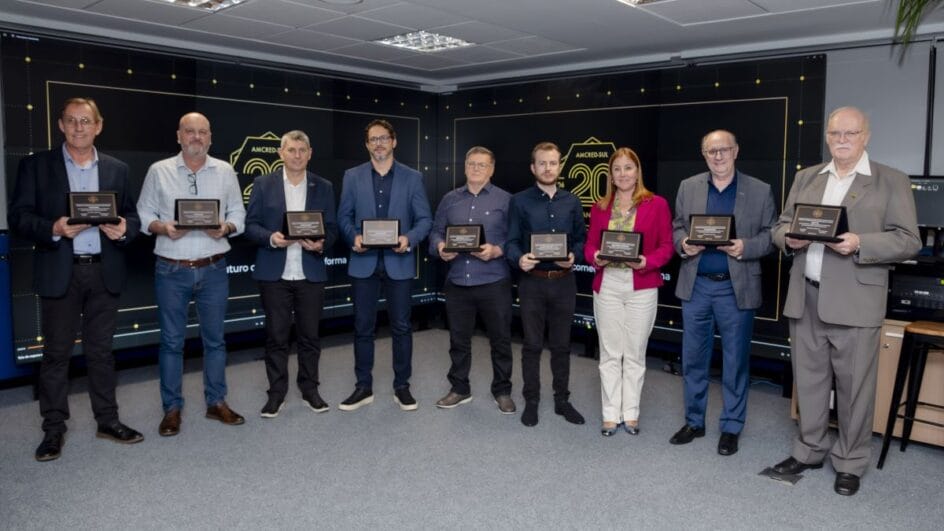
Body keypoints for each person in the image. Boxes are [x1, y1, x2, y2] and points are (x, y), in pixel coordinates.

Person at [768, 107, 920, 496]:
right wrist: (789, 239)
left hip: (856, 301)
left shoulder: (890, 180)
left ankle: (850, 462)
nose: (842, 140)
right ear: (827, 137)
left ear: (866, 136)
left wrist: (860, 242)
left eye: (850, 133)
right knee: (810, 381)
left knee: (855, 389)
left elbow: (908, 240)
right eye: (835, 133)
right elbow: (781, 226)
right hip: (806, 296)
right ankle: (809, 450)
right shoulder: (807, 177)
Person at [9, 97, 143, 461]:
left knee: (101, 352)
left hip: (104, 270)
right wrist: (53, 228)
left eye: (86, 121)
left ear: (98, 126)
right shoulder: (36, 166)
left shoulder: (117, 169)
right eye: (71, 120)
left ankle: (108, 421)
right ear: (61, 125)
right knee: (56, 355)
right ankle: (53, 429)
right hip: (60, 270)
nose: (78, 127)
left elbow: (132, 216)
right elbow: (18, 217)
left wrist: (125, 228)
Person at [137, 112, 247, 436]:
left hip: (214, 268)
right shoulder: (159, 170)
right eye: (190, 131)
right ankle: (172, 409)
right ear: (179, 136)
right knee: (172, 342)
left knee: (215, 341)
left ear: (210, 137)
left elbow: (238, 212)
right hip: (171, 269)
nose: (196, 137)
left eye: (202, 132)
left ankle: (217, 402)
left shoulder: (225, 170)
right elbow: (143, 212)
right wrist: (162, 227)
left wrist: (226, 227)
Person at [670, 130, 776, 455]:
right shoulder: (688, 186)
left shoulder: (760, 190)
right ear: (704, 155)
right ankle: (694, 421)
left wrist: (746, 246)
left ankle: (731, 426)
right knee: (693, 358)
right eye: (711, 151)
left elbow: (771, 235)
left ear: (736, 151)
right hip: (697, 285)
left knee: (735, 360)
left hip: (735, 287)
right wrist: (683, 243)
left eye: (724, 150)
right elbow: (677, 225)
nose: (718, 156)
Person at [336, 119, 432, 411]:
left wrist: (408, 238)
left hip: (398, 262)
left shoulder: (412, 177)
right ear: (367, 145)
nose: (379, 144)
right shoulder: (352, 176)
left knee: (401, 327)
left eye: (384, 138)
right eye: (373, 139)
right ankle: (363, 386)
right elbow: (343, 217)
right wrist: (353, 237)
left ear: (394, 141)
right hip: (363, 262)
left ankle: (402, 386)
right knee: (363, 327)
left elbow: (424, 219)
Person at [244, 130, 338, 418]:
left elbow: (332, 228)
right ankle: (276, 393)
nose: (297, 155)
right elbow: (250, 225)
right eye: (291, 150)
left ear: (310, 154)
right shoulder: (263, 184)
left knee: (310, 337)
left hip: (310, 273)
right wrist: (271, 238)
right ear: (281, 153)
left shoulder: (324, 186)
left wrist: (322, 243)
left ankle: (310, 389)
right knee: (276, 337)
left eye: (302, 150)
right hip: (275, 273)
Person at [585, 147, 673, 437]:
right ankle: (610, 414)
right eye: (617, 169)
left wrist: (647, 261)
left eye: (628, 168)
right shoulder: (600, 206)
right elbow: (589, 245)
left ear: (637, 172)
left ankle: (631, 413)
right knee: (610, 352)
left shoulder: (656, 204)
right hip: (608, 284)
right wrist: (595, 257)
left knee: (634, 353)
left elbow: (666, 246)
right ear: (610, 175)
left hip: (641, 286)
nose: (623, 174)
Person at [429, 146, 515, 414]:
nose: (476, 169)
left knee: (500, 340)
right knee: (458, 341)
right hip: (458, 282)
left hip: (494, 281)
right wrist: (440, 247)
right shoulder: (449, 199)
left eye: (482, 165)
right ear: (465, 167)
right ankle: (459, 388)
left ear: (492, 169)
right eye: (471, 164)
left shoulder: (506, 200)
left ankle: (502, 391)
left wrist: (497, 250)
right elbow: (435, 232)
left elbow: (516, 240)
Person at [506, 141, 587, 427]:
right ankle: (532, 400)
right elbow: (511, 241)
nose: (548, 168)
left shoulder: (572, 201)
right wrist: (519, 259)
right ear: (533, 167)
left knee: (562, 345)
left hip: (564, 282)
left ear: (560, 166)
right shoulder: (519, 201)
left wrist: (574, 256)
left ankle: (562, 400)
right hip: (533, 283)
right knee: (531, 345)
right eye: (542, 163)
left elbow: (581, 239)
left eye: (553, 163)